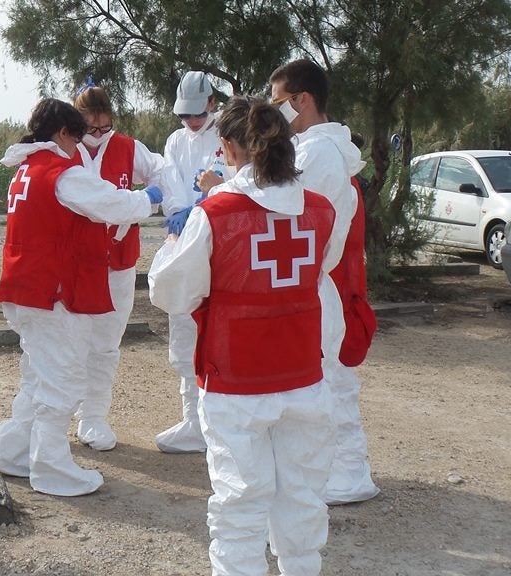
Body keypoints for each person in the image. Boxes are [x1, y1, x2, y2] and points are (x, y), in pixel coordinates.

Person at [149, 95, 338, 576]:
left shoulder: (214, 213)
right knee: (302, 493)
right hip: (302, 373)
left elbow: (172, 292)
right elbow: (321, 269)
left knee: (239, 503)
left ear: (228, 147)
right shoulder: (320, 209)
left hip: (235, 377)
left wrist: (172, 242)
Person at [0, 98, 162, 496]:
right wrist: (149, 197)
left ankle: (13, 450)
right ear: (63, 133)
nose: (80, 147)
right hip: (53, 292)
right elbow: (112, 204)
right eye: (78, 137)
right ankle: (51, 467)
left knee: (38, 375)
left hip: (26, 288)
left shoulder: (25, 170)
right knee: (62, 378)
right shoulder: (61, 173)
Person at [269, 59, 379, 504]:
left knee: (332, 381)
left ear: (302, 100)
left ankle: (351, 471)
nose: (274, 112)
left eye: (278, 102)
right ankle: (343, 467)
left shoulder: (318, 155)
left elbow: (287, 207)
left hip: (326, 280)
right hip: (328, 278)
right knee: (329, 378)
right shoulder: (322, 150)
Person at [70, 82, 171, 451]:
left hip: (118, 258)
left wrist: (155, 197)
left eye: (104, 127)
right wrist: (137, 201)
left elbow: (164, 172)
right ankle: (64, 410)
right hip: (76, 261)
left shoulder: (128, 147)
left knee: (107, 341)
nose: (97, 135)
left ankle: (93, 416)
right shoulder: (65, 150)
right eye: (89, 128)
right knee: (72, 340)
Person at [155, 70, 227, 454]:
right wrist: (179, 210)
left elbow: (234, 175)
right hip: (184, 237)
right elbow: (170, 179)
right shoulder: (176, 140)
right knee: (183, 326)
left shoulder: (227, 132)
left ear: (212, 103)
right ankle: (193, 420)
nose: (191, 121)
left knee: (217, 326)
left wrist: (209, 202)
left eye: (197, 113)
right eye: (185, 115)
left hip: (219, 237)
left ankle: (219, 418)